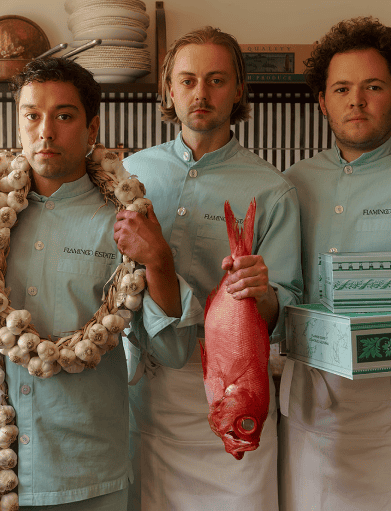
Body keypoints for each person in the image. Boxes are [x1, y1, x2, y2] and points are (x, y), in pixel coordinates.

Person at [120, 26, 303, 511]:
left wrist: (262, 291)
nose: (201, 93)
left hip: (236, 386)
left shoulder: (272, 190)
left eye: (217, 80)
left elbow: (282, 314)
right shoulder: (131, 174)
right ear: (168, 90)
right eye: (187, 80)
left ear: (239, 90)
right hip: (143, 387)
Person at [7, 57, 202, 510]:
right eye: (32, 115)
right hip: (6, 470)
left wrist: (158, 257)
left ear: (92, 127)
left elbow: (173, 350)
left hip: (89, 474)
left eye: (64, 115)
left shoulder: (125, 220)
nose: (46, 131)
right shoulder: (3, 214)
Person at [279, 16, 391, 511]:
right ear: (323, 101)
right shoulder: (291, 183)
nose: (356, 100)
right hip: (307, 408)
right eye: (342, 88)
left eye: (373, 86)